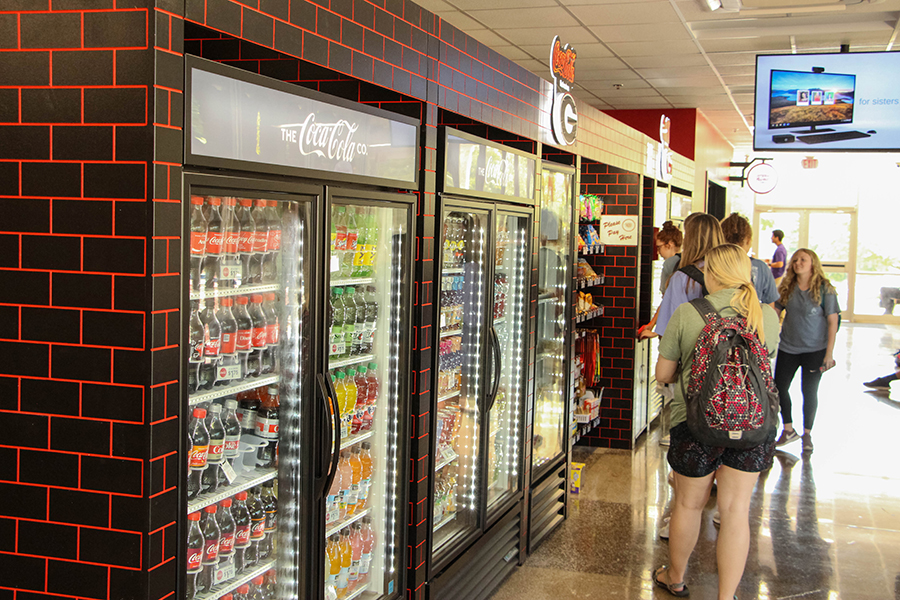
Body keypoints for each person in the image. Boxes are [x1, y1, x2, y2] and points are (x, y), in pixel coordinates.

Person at [653, 244, 780, 600]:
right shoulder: (765, 315)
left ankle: (675, 578)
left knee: (689, 505)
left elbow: (664, 373)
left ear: (712, 273)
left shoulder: (688, 312)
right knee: (736, 510)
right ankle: (727, 596)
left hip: (695, 424)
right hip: (752, 423)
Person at [773, 248, 840, 454]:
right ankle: (788, 429)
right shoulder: (788, 286)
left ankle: (807, 434)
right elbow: (775, 311)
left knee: (809, 391)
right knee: (779, 387)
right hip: (788, 347)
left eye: (803, 260)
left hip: (815, 349)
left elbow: (832, 322)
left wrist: (829, 354)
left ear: (813, 264)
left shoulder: (824, 289)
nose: (798, 263)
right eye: (795, 260)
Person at [644, 213, 726, 338]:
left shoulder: (682, 278)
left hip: (693, 352)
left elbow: (671, 330)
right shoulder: (733, 275)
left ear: (690, 240)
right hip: (726, 351)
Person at [719, 213, 779, 306]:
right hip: (752, 318)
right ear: (748, 240)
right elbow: (770, 307)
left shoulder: (712, 265)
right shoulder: (760, 268)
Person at [638, 221, 684, 336]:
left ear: (670, 244)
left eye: (659, 247)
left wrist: (653, 328)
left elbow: (666, 299)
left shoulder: (669, 264)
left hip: (671, 328)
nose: (658, 252)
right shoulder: (687, 261)